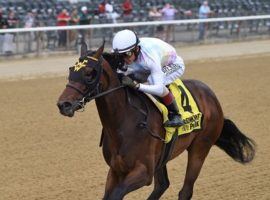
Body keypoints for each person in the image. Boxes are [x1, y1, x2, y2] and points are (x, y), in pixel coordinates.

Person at [112, 29, 185, 127]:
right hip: (144, 67)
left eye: (127, 54)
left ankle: (175, 114)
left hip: (173, 64)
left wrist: (137, 86)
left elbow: (158, 89)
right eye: (121, 56)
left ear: (136, 49)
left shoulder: (149, 58)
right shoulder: (126, 51)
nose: (125, 58)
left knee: (152, 80)